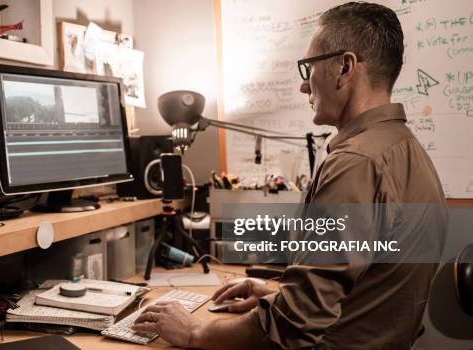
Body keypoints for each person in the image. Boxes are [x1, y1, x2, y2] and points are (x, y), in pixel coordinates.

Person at [132, 2, 447, 349]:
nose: (304, 86)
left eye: (308, 68)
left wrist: (195, 332)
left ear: (344, 67)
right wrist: (274, 294)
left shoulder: (356, 163)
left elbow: (295, 325)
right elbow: (367, 294)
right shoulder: (408, 150)